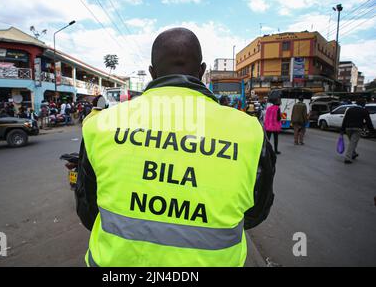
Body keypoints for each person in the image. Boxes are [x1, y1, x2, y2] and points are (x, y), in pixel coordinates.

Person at [73, 27, 276, 267]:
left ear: (152, 72)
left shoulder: (102, 124)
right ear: (202, 71)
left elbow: (88, 212)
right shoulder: (248, 131)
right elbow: (255, 213)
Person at [341, 98, 374, 164]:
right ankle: (348, 158)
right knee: (353, 143)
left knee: (352, 142)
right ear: (363, 104)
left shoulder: (350, 109)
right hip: (357, 129)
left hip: (348, 129)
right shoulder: (364, 110)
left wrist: (342, 130)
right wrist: (372, 131)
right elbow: (368, 122)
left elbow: (345, 120)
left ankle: (353, 153)